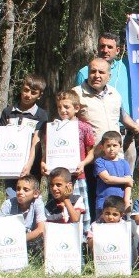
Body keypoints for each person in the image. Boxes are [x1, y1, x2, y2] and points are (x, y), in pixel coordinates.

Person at [73, 57, 139, 215]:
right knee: (93, 200)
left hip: (115, 157)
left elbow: (122, 116)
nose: (97, 75)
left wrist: (135, 127)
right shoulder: (76, 94)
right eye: (93, 71)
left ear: (108, 76)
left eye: (101, 72)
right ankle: (92, 234)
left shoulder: (114, 93)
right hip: (91, 159)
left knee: (116, 198)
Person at [74, 32, 138, 166]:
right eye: (102, 46)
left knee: (124, 176)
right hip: (95, 142)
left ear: (118, 50)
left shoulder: (127, 66)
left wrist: (134, 25)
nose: (105, 50)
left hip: (124, 133)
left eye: (110, 47)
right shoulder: (84, 72)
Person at [41, 91, 95, 232]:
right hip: (57, 178)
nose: (62, 110)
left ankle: (82, 239)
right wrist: (43, 163)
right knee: (57, 207)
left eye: (66, 107)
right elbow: (47, 151)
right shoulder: (53, 128)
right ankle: (57, 235)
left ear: (76, 108)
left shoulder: (84, 127)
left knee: (79, 208)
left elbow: (91, 152)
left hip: (77, 177)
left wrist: (83, 164)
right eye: (59, 107)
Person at [0, 74, 49, 197]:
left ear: (40, 95)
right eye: (26, 90)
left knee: (30, 199)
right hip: (9, 164)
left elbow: (36, 141)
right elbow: (0, 139)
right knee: (12, 197)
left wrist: (28, 165)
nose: (28, 95)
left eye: (33, 93)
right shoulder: (8, 112)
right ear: (21, 88)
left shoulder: (41, 115)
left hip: (32, 166)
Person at [0, 175, 47, 252]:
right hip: (11, 241)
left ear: (36, 193)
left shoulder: (37, 203)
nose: (20, 192)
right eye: (18, 189)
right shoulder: (8, 204)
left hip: (32, 241)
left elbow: (41, 229)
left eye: (26, 190)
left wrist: (20, 240)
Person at [94, 130, 133, 212]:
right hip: (103, 204)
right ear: (102, 146)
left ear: (120, 146)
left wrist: (126, 201)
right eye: (108, 146)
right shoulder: (99, 161)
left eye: (115, 145)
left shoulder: (124, 163)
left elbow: (128, 185)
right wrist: (127, 180)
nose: (111, 149)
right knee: (101, 224)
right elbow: (107, 179)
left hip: (120, 204)